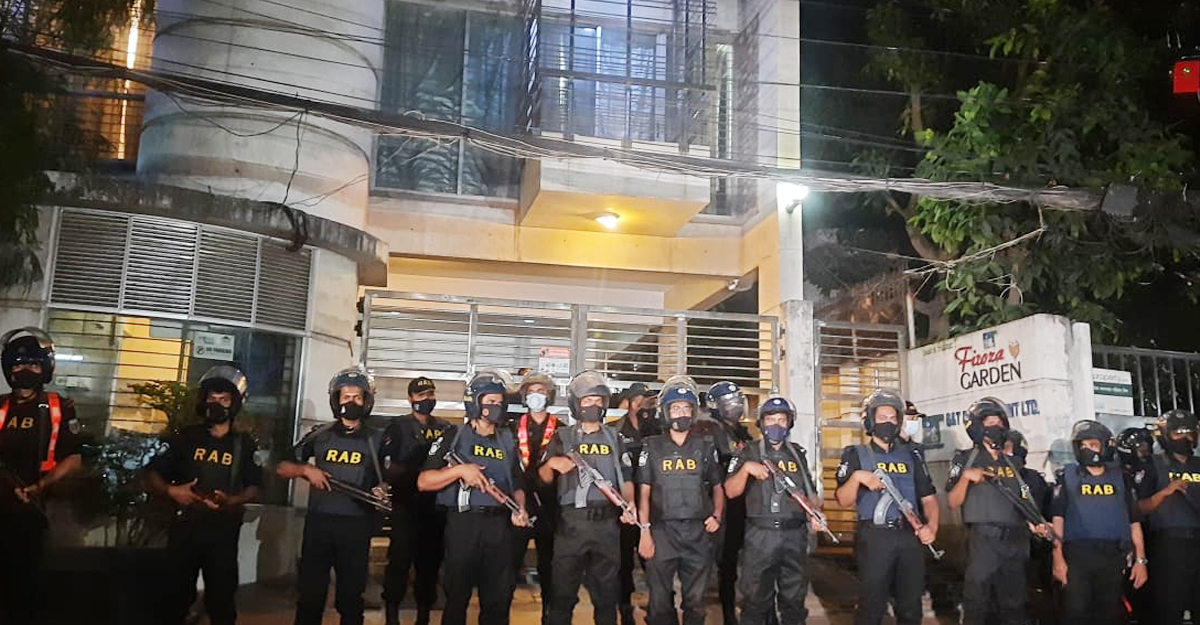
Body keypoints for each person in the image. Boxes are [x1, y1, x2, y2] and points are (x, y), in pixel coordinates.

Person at [147, 365, 261, 625]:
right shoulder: (185, 437)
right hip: (184, 528)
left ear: (235, 403)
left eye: (224, 399)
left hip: (223, 532)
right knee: (174, 598)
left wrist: (233, 500)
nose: (216, 404)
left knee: (221, 600)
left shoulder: (243, 444)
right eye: (212, 398)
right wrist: (171, 491)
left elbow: (255, 486)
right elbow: (152, 473)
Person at [417, 370, 532, 625]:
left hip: (499, 526)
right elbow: (424, 481)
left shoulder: (508, 439)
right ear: (475, 402)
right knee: (457, 596)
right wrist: (459, 471)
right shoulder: (453, 435)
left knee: (498, 599)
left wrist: (520, 508)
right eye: (490, 401)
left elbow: (518, 484)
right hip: (464, 525)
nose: (496, 406)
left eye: (499, 401)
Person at [277, 366, 389, 625]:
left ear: (366, 401)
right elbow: (282, 467)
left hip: (356, 526)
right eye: (346, 397)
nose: (351, 402)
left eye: (357, 397)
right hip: (320, 524)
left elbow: (389, 476)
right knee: (310, 595)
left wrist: (382, 489)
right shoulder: (320, 434)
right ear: (336, 400)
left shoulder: (378, 439)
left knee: (351, 598)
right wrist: (306, 470)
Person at [539, 370, 638, 625]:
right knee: (562, 595)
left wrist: (630, 503)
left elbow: (626, 477)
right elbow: (543, 478)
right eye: (587, 400)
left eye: (598, 400)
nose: (594, 405)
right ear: (576, 404)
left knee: (606, 597)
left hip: (607, 524)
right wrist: (552, 464)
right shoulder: (562, 437)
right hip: (572, 524)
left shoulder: (616, 438)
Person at [0, 327, 83, 625]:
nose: (25, 370)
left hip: (35, 512)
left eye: (33, 364)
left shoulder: (59, 408)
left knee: (27, 588)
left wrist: (40, 486)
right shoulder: (1, 406)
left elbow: (74, 459)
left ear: (45, 368)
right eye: (18, 364)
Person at [834, 389, 938, 625]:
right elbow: (843, 499)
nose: (888, 422)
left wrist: (931, 527)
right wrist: (857, 477)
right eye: (882, 418)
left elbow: (929, 499)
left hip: (910, 536)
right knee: (872, 606)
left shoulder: (912, 455)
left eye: (892, 418)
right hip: (875, 538)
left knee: (911, 607)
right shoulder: (856, 454)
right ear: (870, 420)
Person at [946, 396, 1047, 625]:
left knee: (1015, 604)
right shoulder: (965, 458)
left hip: (1016, 540)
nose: (996, 427)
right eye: (990, 423)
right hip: (984, 540)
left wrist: (1036, 522)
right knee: (977, 601)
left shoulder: (1012, 462)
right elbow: (952, 501)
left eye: (1000, 423)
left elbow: (1023, 500)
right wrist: (966, 478)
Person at [636, 376, 725, 625]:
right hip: (662, 532)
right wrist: (644, 532)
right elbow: (644, 493)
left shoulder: (705, 446)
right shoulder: (652, 446)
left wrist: (717, 515)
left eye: (686, 408)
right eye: (676, 408)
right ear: (666, 412)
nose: (682, 413)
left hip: (697, 533)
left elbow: (718, 487)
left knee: (696, 602)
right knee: (659, 602)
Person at [724, 396, 819, 625]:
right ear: (761, 423)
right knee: (755, 602)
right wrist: (746, 469)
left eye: (781, 420)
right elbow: (730, 491)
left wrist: (815, 512)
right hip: (761, 536)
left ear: (789, 423)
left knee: (794, 602)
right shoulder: (747, 451)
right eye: (770, 419)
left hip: (794, 535)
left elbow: (811, 493)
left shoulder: (797, 454)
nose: (776, 425)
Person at [1049, 420, 1147, 625]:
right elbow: (1058, 519)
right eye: (1082, 445)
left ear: (1105, 446)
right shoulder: (1067, 476)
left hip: (1113, 556)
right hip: (1077, 556)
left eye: (1092, 444)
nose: (1087, 449)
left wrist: (1141, 561)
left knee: (1111, 614)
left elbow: (1134, 522)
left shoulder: (1121, 477)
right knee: (1076, 612)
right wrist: (1058, 558)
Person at [381, 376, 451, 625]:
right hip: (406, 505)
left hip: (435, 507)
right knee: (399, 561)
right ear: (410, 398)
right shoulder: (398, 426)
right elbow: (387, 463)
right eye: (421, 395)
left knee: (429, 564)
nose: (427, 399)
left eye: (430, 394)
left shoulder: (444, 427)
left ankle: (424, 615)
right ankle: (392, 614)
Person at [1136, 409, 1200, 625]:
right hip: (1169, 545)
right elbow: (1139, 508)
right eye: (1178, 433)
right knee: (1169, 608)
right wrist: (1164, 493)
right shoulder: (1152, 464)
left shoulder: (1198, 463)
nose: (1186, 438)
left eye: (1190, 433)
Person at [706, 380, 756, 625]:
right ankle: (727, 613)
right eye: (729, 402)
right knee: (725, 562)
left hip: (743, 504)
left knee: (741, 560)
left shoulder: (743, 432)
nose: (735, 406)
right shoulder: (710, 431)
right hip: (721, 505)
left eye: (737, 401)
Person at [513, 371, 560, 620]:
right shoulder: (512, 428)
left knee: (548, 566)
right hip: (518, 503)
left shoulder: (561, 430)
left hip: (549, 506)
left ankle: (548, 615)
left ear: (549, 395)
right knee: (510, 563)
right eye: (532, 391)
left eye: (541, 391)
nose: (536, 395)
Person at [614, 382, 659, 625]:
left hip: (652, 504)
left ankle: (658, 607)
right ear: (631, 403)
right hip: (625, 505)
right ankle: (625, 609)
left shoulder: (657, 429)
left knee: (654, 561)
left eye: (649, 401)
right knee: (623, 561)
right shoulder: (616, 430)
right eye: (642, 400)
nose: (646, 406)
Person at [1115, 426, 1156, 624]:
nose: (1144, 452)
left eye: (1147, 448)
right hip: (1125, 534)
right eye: (1140, 448)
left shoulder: (1155, 468)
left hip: (1151, 532)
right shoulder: (1115, 473)